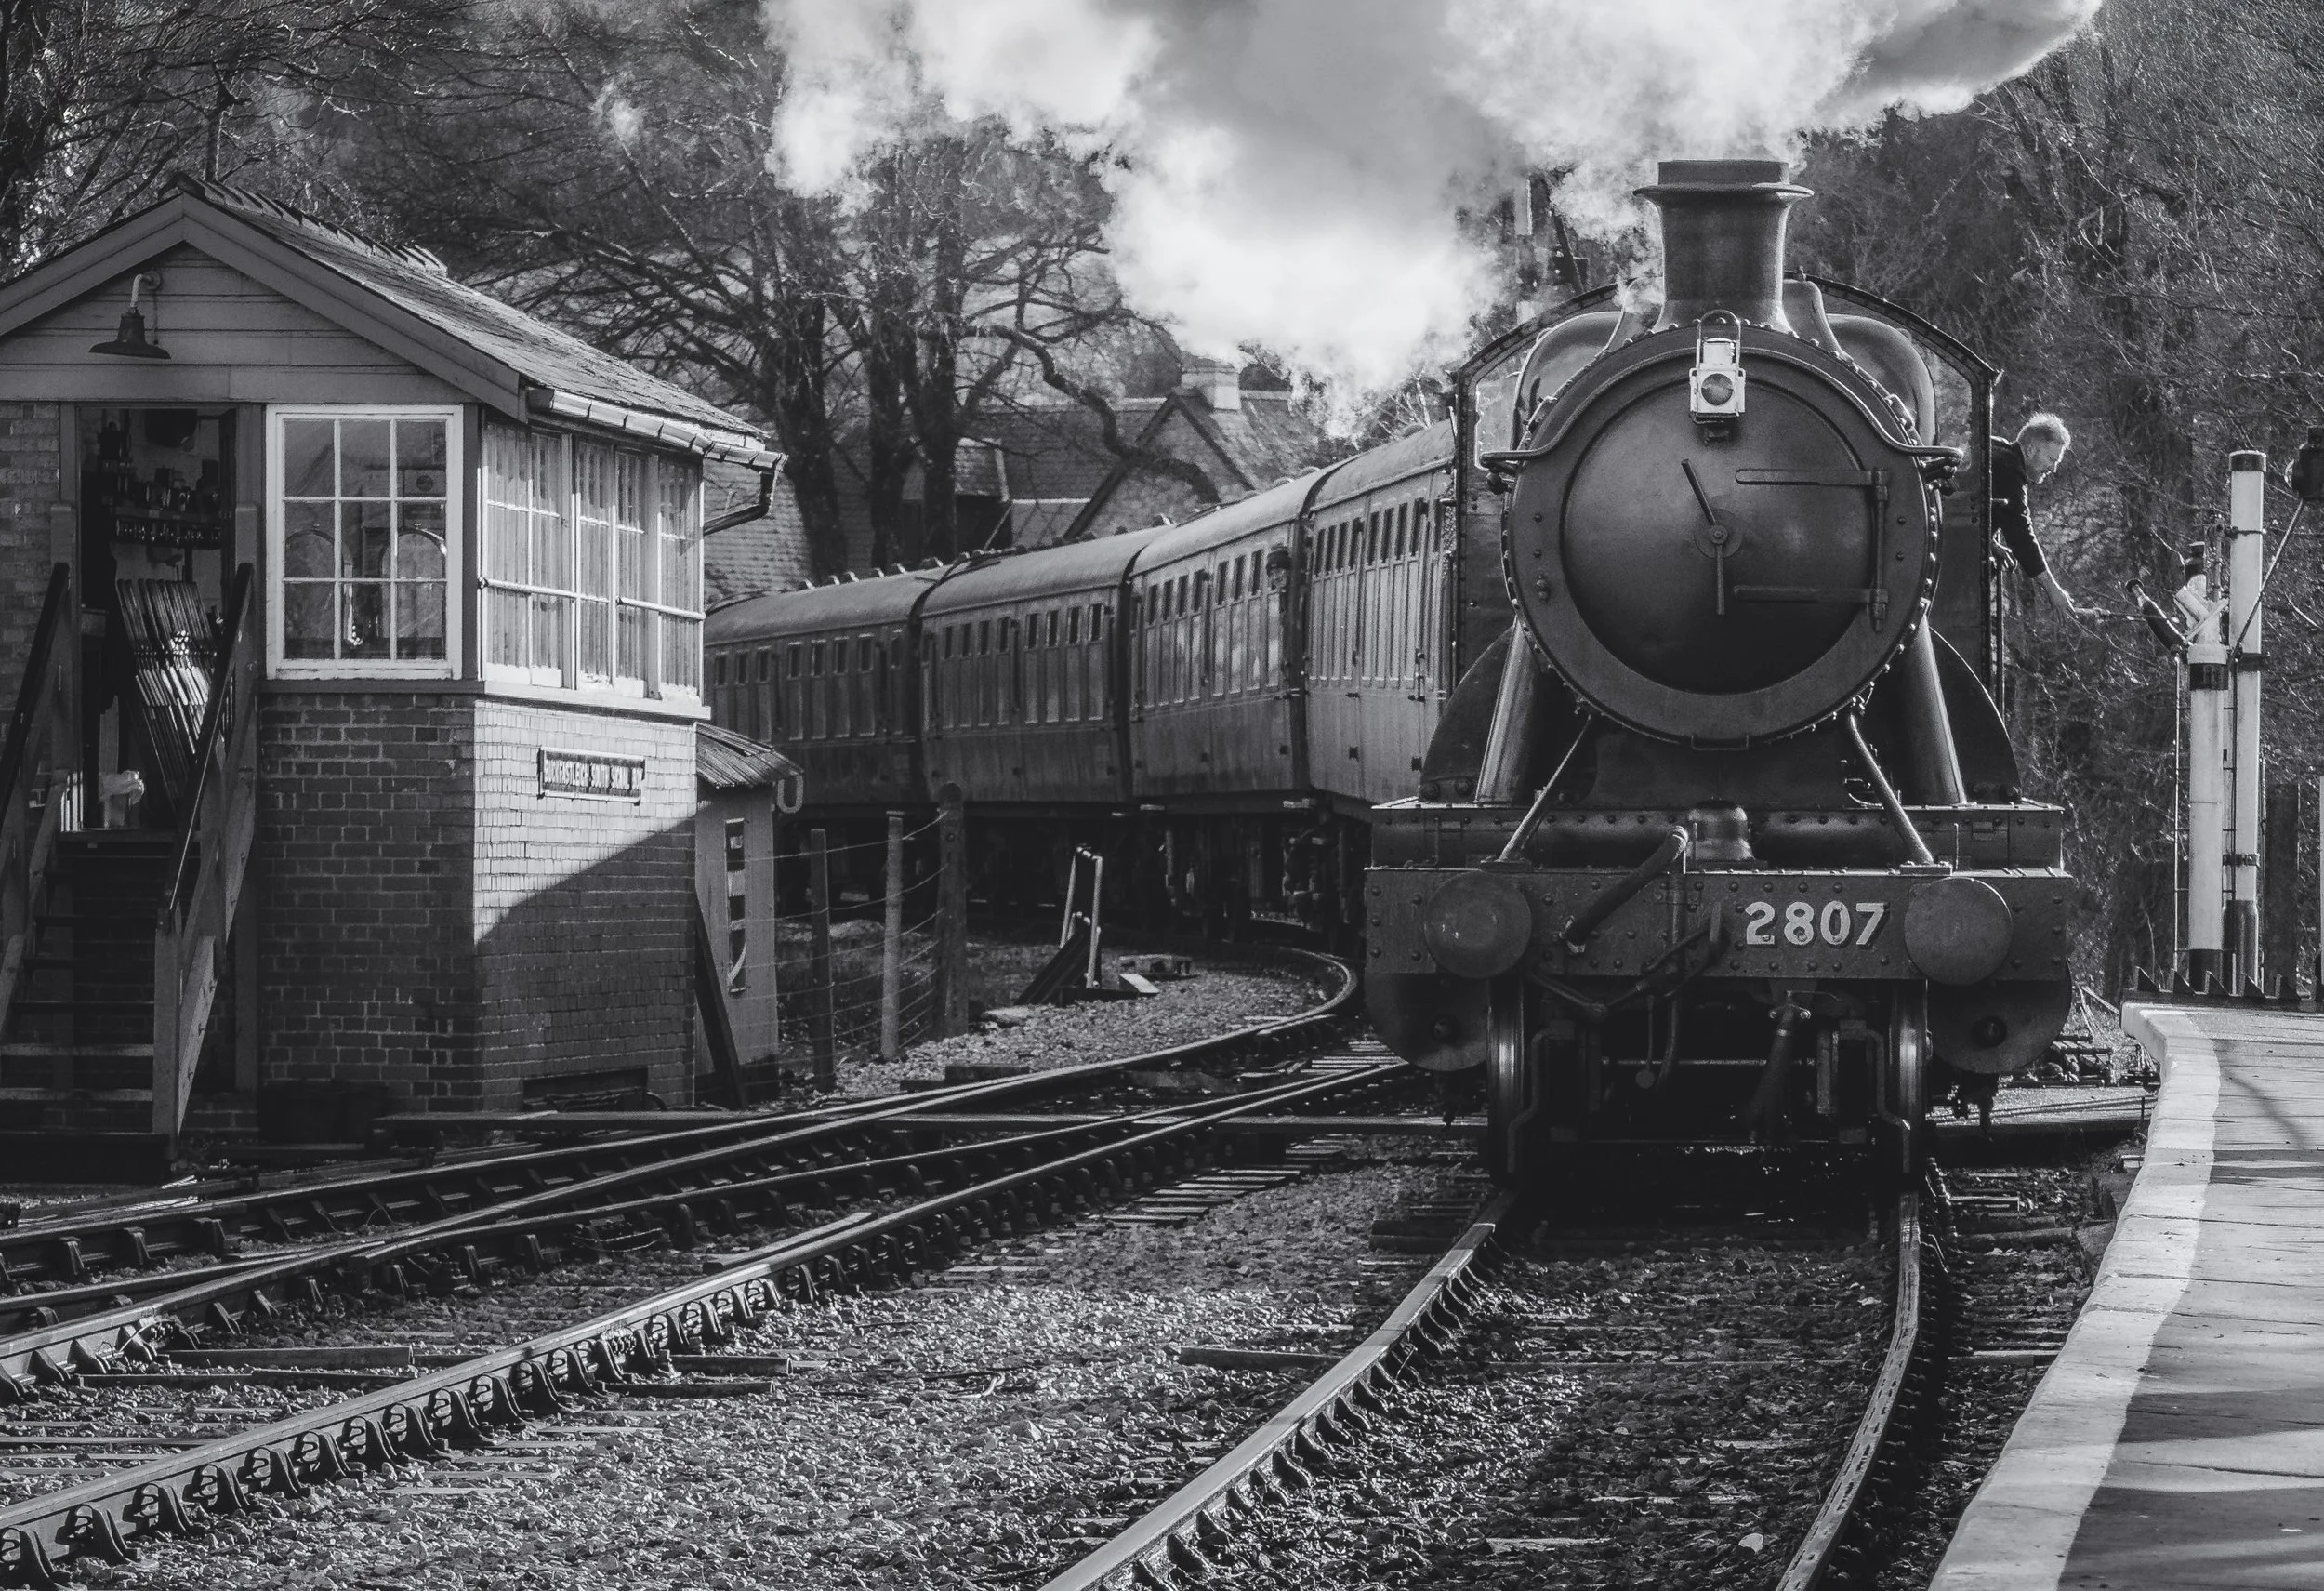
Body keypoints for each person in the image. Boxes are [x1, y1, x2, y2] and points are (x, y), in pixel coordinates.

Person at [1991, 412, 2088, 615]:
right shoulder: (2009, 470)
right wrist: (2053, 589)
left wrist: (1988, 542)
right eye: (2051, 459)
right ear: (2030, 450)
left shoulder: (1999, 451)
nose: (2053, 469)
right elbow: (2022, 535)